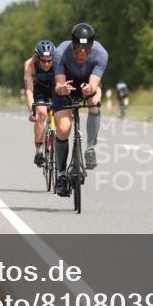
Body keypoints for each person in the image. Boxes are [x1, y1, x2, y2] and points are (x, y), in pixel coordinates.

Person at [52, 23, 107, 197]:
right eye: (78, 50)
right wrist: (61, 89)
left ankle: (90, 148)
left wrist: (89, 90)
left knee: (95, 99)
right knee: (63, 128)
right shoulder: (60, 52)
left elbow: (94, 84)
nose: (82, 54)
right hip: (66, 86)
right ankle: (61, 174)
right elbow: (59, 84)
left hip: (87, 84)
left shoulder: (101, 54)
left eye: (87, 51)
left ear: (92, 47)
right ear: (72, 46)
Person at [24, 40, 56, 167]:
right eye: (43, 60)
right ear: (37, 58)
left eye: (49, 60)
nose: (47, 63)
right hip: (40, 90)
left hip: (55, 88)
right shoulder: (29, 64)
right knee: (41, 114)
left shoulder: (59, 61)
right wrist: (32, 111)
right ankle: (39, 150)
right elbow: (29, 90)